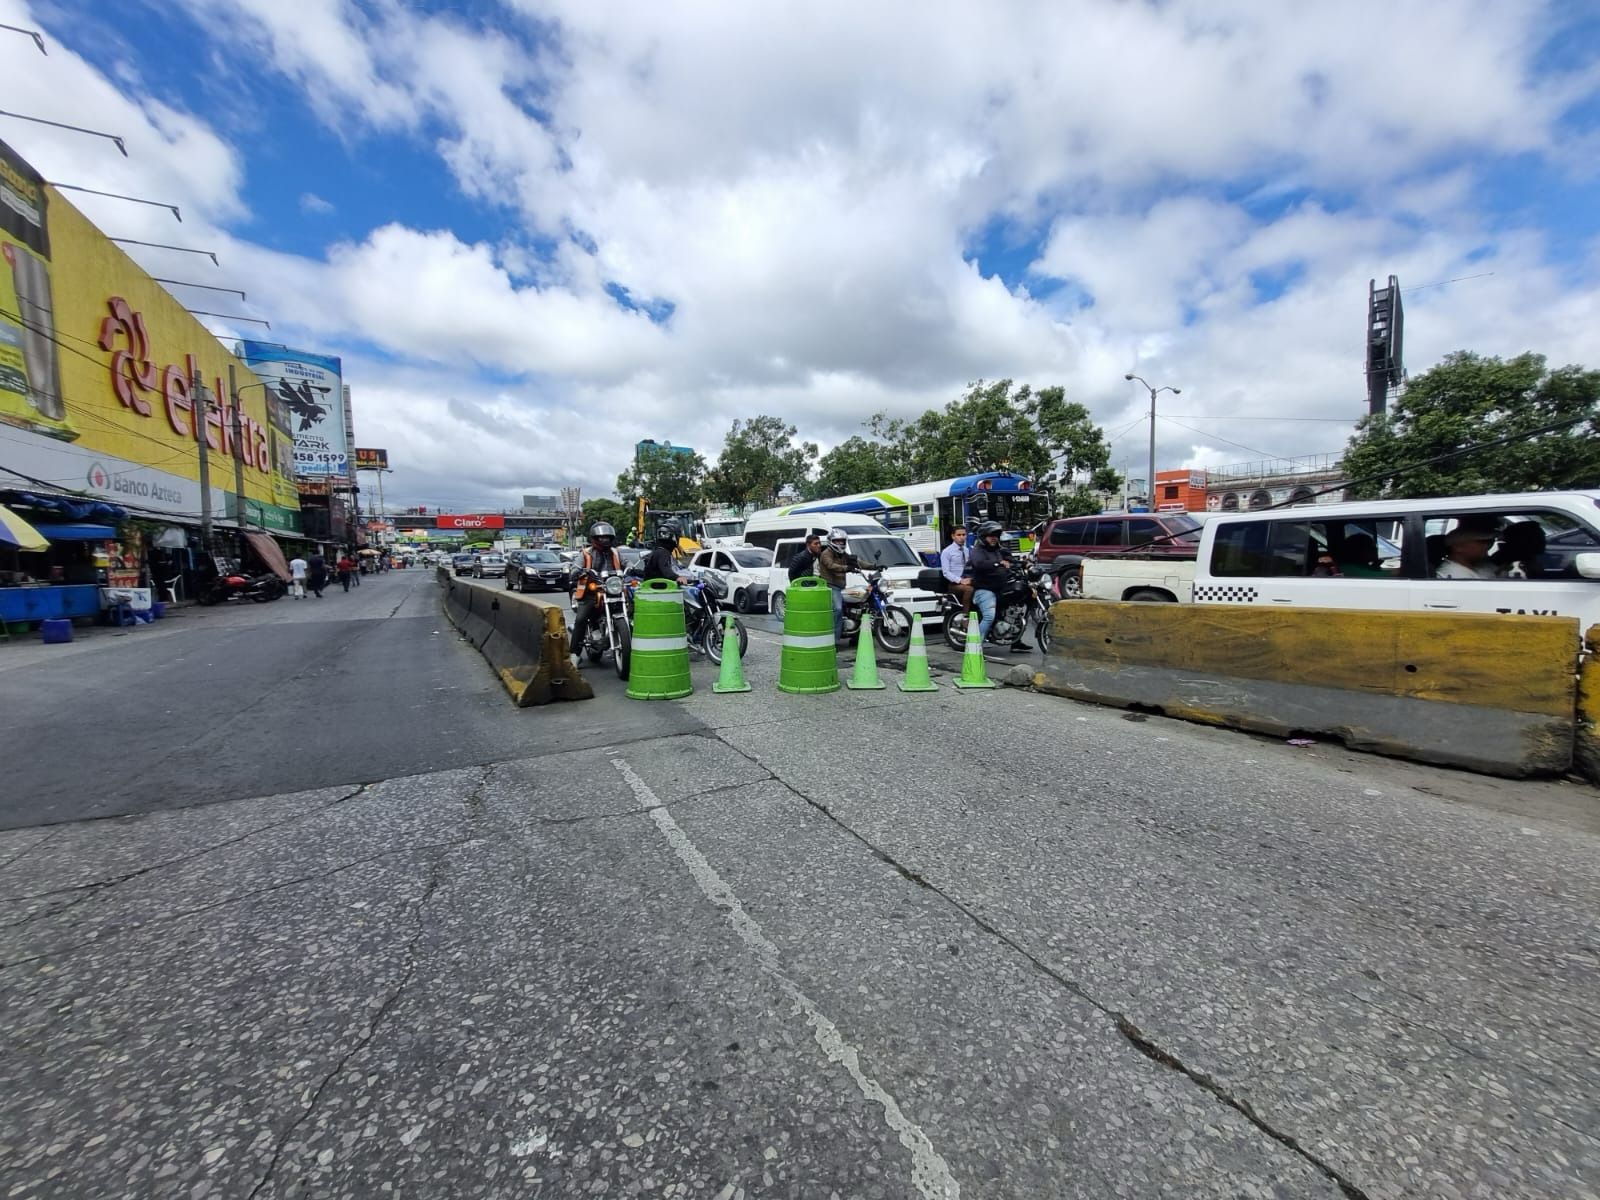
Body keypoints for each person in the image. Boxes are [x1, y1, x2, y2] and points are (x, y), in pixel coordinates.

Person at [968, 520, 1030, 651]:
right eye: (991, 536)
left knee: (1019, 607)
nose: (994, 538)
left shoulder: (998, 550)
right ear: (984, 537)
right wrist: (998, 563)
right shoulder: (978, 550)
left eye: (996, 536)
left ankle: (1016, 642)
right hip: (984, 589)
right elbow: (979, 564)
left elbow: (1011, 560)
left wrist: (1025, 564)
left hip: (1000, 587)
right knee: (989, 616)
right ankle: (974, 647)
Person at [569, 522, 622, 658]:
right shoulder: (586, 553)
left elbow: (627, 563)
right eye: (602, 538)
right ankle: (574, 655)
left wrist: (632, 567)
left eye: (608, 537)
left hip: (612, 590)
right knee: (581, 619)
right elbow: (575, 567)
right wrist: (577, 571)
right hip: (590, 592)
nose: (605, 540)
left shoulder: (615, 552)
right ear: (594, 538)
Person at [815, 528, 863, 643]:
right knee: (838, 609)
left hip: (840, 587)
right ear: (831, 541)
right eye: (837, 541)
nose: (840, 543)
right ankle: (834, 640)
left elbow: (858, 562)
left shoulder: (842, 555)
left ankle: (855, 635)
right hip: (830, 587)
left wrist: (875, 566)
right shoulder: (826, 554)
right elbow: (831, 566)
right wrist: (847, 568)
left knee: (859, 603)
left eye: (842, 541)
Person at [1435, 520, 1500, 580]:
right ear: (1458, 547)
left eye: (1490, 541)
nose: (1488, 545)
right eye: (1481, 542)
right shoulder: (1448, 575)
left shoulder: (1483, 564)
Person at [939, 524, 973, 610]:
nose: (962, 537)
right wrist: (960, 580)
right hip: (954, 584)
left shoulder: (967, 550)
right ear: (953, 536)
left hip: (967, 580)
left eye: (964, 535)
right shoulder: (947, 552)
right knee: (968, 590)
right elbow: (946, 573)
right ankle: (965, 616)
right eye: (959, 535)